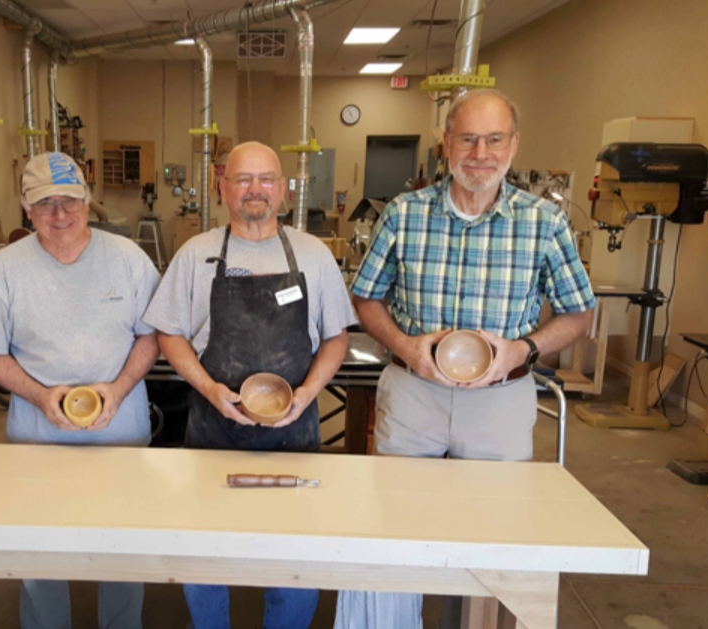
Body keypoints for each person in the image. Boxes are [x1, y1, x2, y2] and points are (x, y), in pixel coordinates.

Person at [335, 89, 596, 628]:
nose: (481, 153)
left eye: (494, 139)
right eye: (468, 139)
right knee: (392, 532)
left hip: (500, 400)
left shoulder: (544, 222)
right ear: (446, 144)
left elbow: (578, 313)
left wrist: (521, 350)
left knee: (493, 542)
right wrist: (406, 346)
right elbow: (366, 298)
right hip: (414, 393)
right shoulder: (404, 214)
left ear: (513, 145)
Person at [144, 141, 357, 629]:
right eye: (242, 179)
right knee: (205, 552)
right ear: (223, 189)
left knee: (294, 555)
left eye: (265, 179)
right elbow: (168, 334)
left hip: (293, 434)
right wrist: (207, 388)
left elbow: (336, 337)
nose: (254, 189)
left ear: (283, 189)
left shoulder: (314, 255)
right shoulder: (195, 254)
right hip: (213, 432)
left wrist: (307, 394)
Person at [0, 152, 159, 629]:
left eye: (69, 200)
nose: (60, 213)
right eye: (45, 203)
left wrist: (119, 388)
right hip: (37, 442)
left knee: (122, 553)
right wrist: (38, 395)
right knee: (40, 558)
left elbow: (152, 337)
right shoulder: (5, 270)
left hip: (120, 439)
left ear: (87, 202)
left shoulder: (128, 259)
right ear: (27, 210)